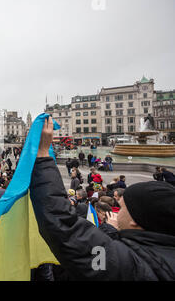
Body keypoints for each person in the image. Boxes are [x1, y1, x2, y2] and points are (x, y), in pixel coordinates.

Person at [30, 116, 175, 280]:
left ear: (136, 220)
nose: (117, 206)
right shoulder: (161, 256)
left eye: (122, 207)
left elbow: (63, 226)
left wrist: (42, 155)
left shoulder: (130, 266)